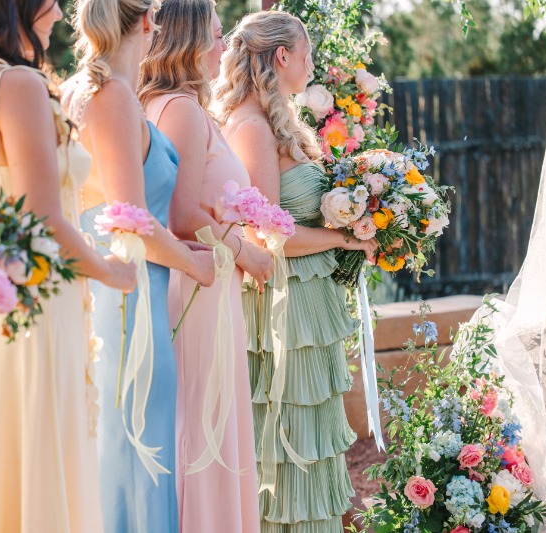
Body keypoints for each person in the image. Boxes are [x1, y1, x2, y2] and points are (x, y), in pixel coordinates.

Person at [0, 0, 136, 530]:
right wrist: (113, 270)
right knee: (39, 451)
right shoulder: (18, 85)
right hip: (38, 303)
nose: (60, 9)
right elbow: (46, 221)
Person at [214, 11, 377, 533]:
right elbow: (269, 237)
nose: (311, 64)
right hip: (282, 310)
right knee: (290, 451)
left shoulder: (276, 118)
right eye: (305, 54)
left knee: (312, 445)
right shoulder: (251, 127)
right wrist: (347, 238)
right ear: (282, 57)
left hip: (308, 304)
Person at [62, 0, 217, 530]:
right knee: (136, 458)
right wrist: (194, 265)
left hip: (106, 295)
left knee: (119, 454)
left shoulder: (77, 90)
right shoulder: (113, 97)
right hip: (129, 309)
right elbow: (130, 221)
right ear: (148, 21)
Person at [137, 1, 273, 530]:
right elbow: (182, 213)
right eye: (216, 37)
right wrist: (247, 253)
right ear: (191, 42)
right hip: (200, 287)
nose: (224, 49)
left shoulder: (167, 104)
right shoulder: (182, 110)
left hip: (200, 284)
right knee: (203, 423)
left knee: (200, 420)